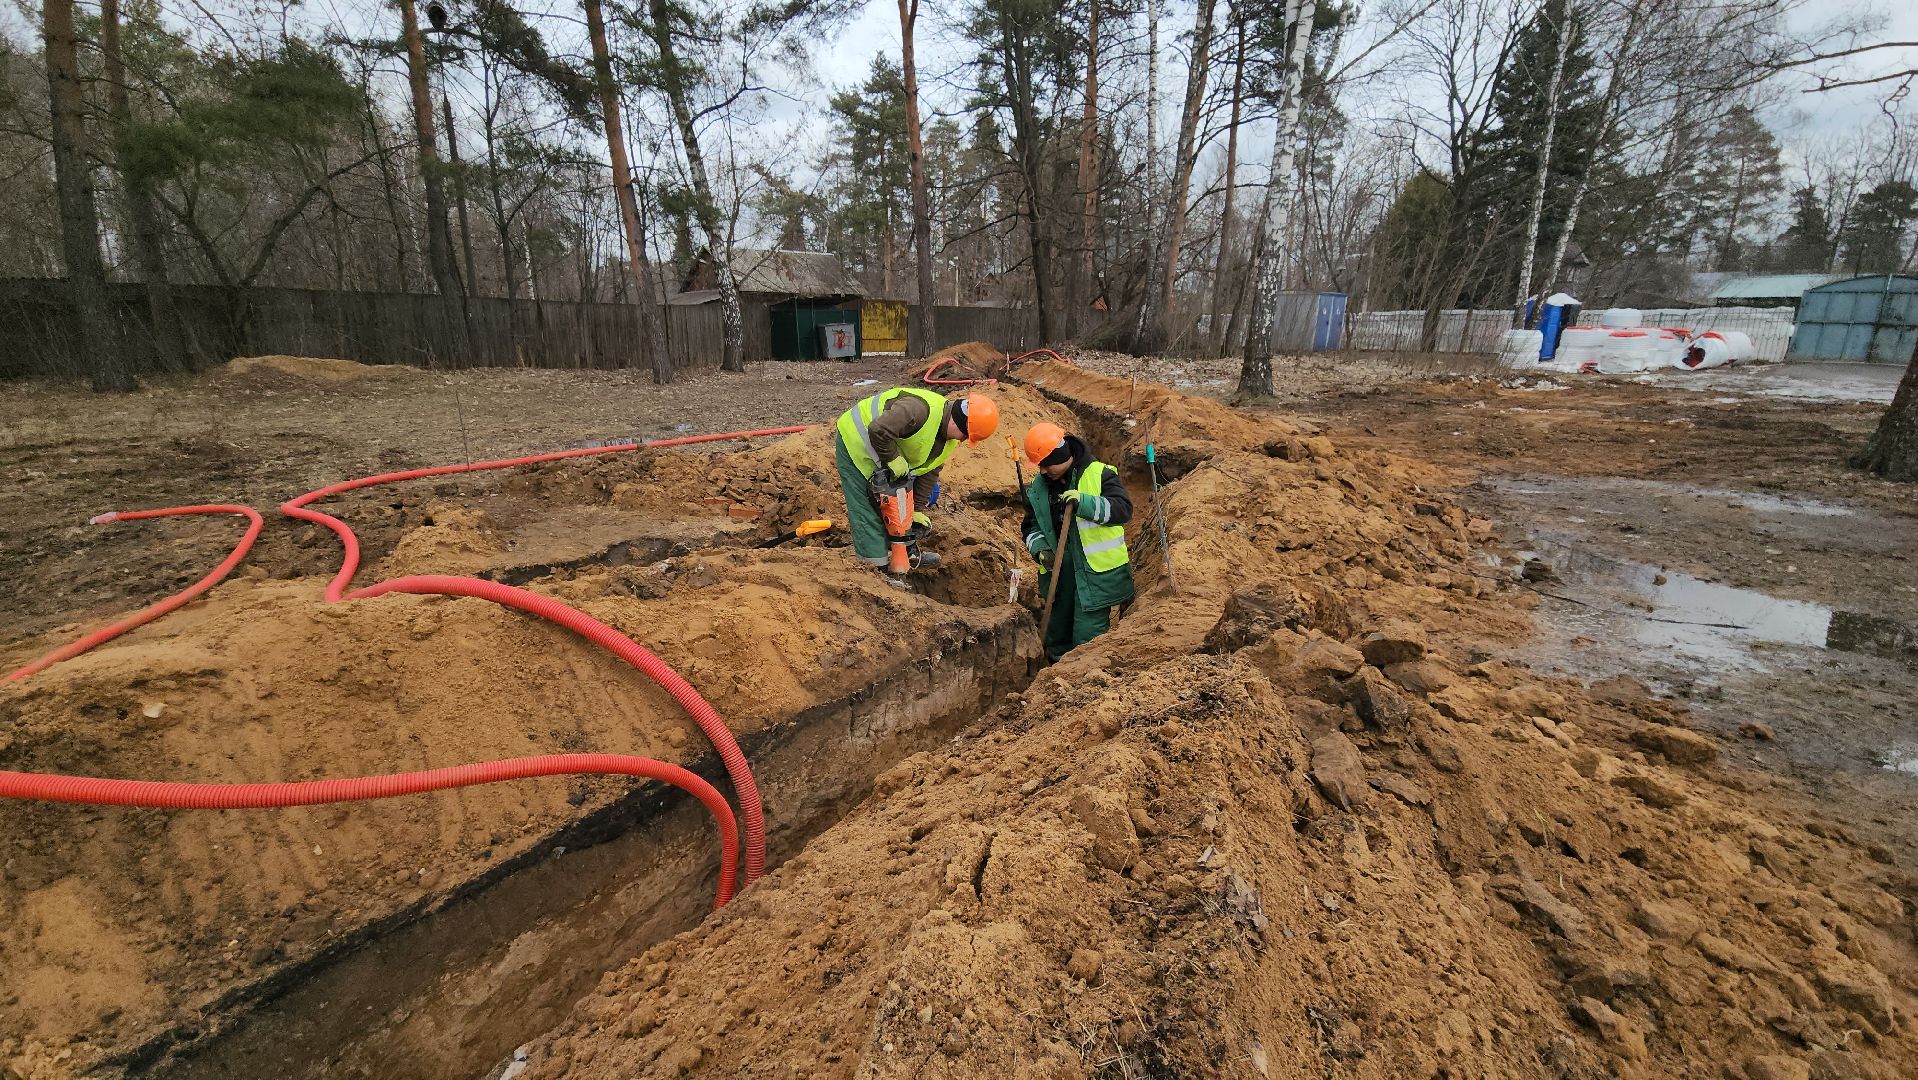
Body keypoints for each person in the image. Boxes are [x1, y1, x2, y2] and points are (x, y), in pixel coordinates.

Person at [833, 387, 999, 573]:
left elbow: (930, 472)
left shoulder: (948, 440)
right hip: (857, 444)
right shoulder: (918, 409)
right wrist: (892, 458)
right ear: (958, 423)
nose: (963, 440)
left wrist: (916, 510)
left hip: (884, 457)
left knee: (898, 507)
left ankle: (904, 552)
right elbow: (878, 429)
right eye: (966, 435)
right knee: (867, 510)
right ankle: (876, 570)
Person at [1019, 423, 1135, 661]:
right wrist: (1040, 549)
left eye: (1046, 464)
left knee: (1087, 636)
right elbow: (1031, 527)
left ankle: (1083, 679)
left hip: (1095, 575)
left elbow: (1123, 510)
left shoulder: (1100, 474)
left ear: (1062, 456)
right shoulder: (1039, 489)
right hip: (1059, 575)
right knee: (1057, 631)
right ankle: (1053, 678)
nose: (1042, 471)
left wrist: (1085, 503)